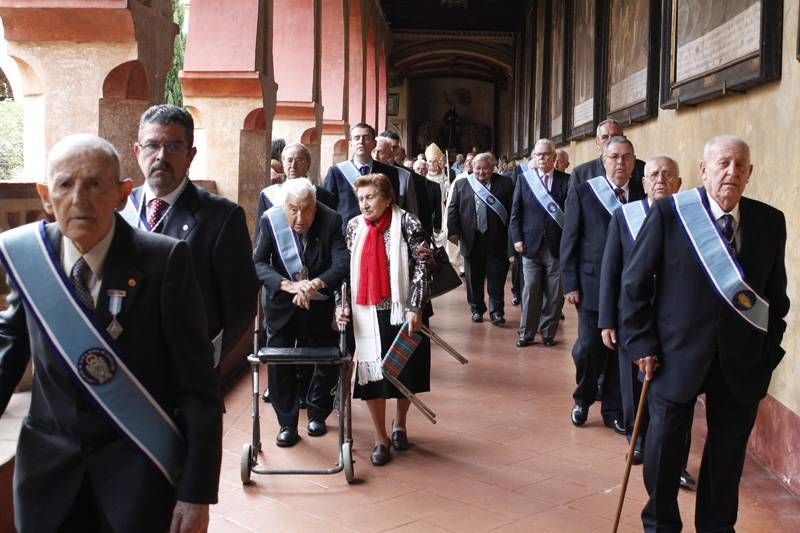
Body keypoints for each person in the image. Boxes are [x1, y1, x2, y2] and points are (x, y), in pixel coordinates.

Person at [0, 134, 222, 532]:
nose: (79, 198)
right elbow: (8, 352)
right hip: (47, 478)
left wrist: (196, 493)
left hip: (138, 473)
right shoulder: (26, 257)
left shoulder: (164, 261)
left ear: (122, 194)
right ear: (45, 195)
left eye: (95, 184)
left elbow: (199, 388)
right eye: (65, 184)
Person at [622, 136, 789, 531]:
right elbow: (634, 284)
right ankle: (660, 525)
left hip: (741, 363)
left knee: (727, 458)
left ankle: (716, 527)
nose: (731, 172)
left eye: (740, 165)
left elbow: (776, 298)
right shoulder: (669, 214)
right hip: (673, 356)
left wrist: (768, 356)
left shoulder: (770, 222)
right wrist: (642, 342)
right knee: (663, 452)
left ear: (750, 174)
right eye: (723, 164)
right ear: (703, 170)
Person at [127, 104, 258, 369]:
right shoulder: (117, 209)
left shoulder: (222, 216)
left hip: (189, 372)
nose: (161, 156)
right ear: (137, 151)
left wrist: (205, 357)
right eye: (152, 145)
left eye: (174, 147)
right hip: (126, 370)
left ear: (191, 155)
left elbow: (241, 305)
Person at [336, 173, 433, 466]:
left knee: (406, 373)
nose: (364, 204)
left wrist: (415, 305)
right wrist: (341, 305)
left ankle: (400, 424)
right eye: (361, 199)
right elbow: (344, 272)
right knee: (373, 377)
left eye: (371, 198)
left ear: (388, 198)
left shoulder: (407, 222)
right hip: (367, 313)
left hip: (404, 311)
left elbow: (423, 264)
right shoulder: (354, 227)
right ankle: (380, 438)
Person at [253, 178, 349, 446]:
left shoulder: (331, 220)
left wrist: (315, 283)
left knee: (326, 359)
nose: (300, 216)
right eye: (293, 209)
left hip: (318, 300)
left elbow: (342, 262)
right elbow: (259, 262)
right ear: (284, 205)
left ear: (315, 206)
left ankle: (317, 414)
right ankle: (286, 423)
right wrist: (289, 285)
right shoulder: (270, 220)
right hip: (282, 303)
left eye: (307, 209)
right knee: (279, 361)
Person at [598, 156, 682, 461]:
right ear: (643, 183)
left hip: (675, 317)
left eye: (668, 175)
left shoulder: (690, 218)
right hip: (631, 315)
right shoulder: (625, 216)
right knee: (632, 385)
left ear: (679, 183)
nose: (660, 180)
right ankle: (639, 438)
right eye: (654, 175)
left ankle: (673, 455)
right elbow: (611, 269)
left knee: (675, 391)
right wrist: (607, 320)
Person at [560, 135, 644, 433]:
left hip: (629, 289)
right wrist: (570, 283)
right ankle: (582, 398)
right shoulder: (584, 192)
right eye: (614, 157)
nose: (620, 162)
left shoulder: (642, 193)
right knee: (590, 348)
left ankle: (613, 410)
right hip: (592, 285)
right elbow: (570, 238)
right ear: (603, 161)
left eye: (626, 157)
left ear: (634, 162)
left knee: (619, 349)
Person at [510, 139, 569, 347]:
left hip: (556, 246)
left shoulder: (566, 181)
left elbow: (571, 216)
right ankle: (526, 333)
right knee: (531, 290)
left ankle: (548, 333)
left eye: (546, 154)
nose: (542, 158)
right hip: (529, 245)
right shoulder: (525, 181)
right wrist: (516, 239)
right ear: (533, 157)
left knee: (555, 293)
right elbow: (515, 213)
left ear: (555, 157)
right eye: (539, 154)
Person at [447, 152, 513, 325]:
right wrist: (453, 232)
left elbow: (514, 211)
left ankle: (496, 312)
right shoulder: (462, 184)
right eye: (478, 169)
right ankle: (476, 309)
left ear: (493, 168)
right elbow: (453, 209)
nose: (481, 172)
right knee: (473, 278)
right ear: (471, 168)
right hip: (471, 240)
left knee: (496, 279)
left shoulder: (505, 183)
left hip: (498, 240)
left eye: (485, 168)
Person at [323, 123, 401, 234]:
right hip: (347, 234)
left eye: (366, 138)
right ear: (350, 144)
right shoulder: (336, 172)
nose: (361, 141)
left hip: (380, 232)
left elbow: (393, 204)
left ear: (374, 143)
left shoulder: (389, 173)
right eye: (356, 138)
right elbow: (328, 209)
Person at [256, 142, 336, 238]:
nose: (293, 166)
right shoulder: (267, 195)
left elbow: (331, 232)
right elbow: (260, 234)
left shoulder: (324, 196)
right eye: (289, 160)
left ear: (308, 164)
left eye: (299, 160)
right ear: (283, 163)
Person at [568, 119, 645, 193]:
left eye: (615, 136)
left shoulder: (642, 169)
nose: (610, 140)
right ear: (597, 143)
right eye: (605, 137)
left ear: (624, 139)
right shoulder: (580, 174)